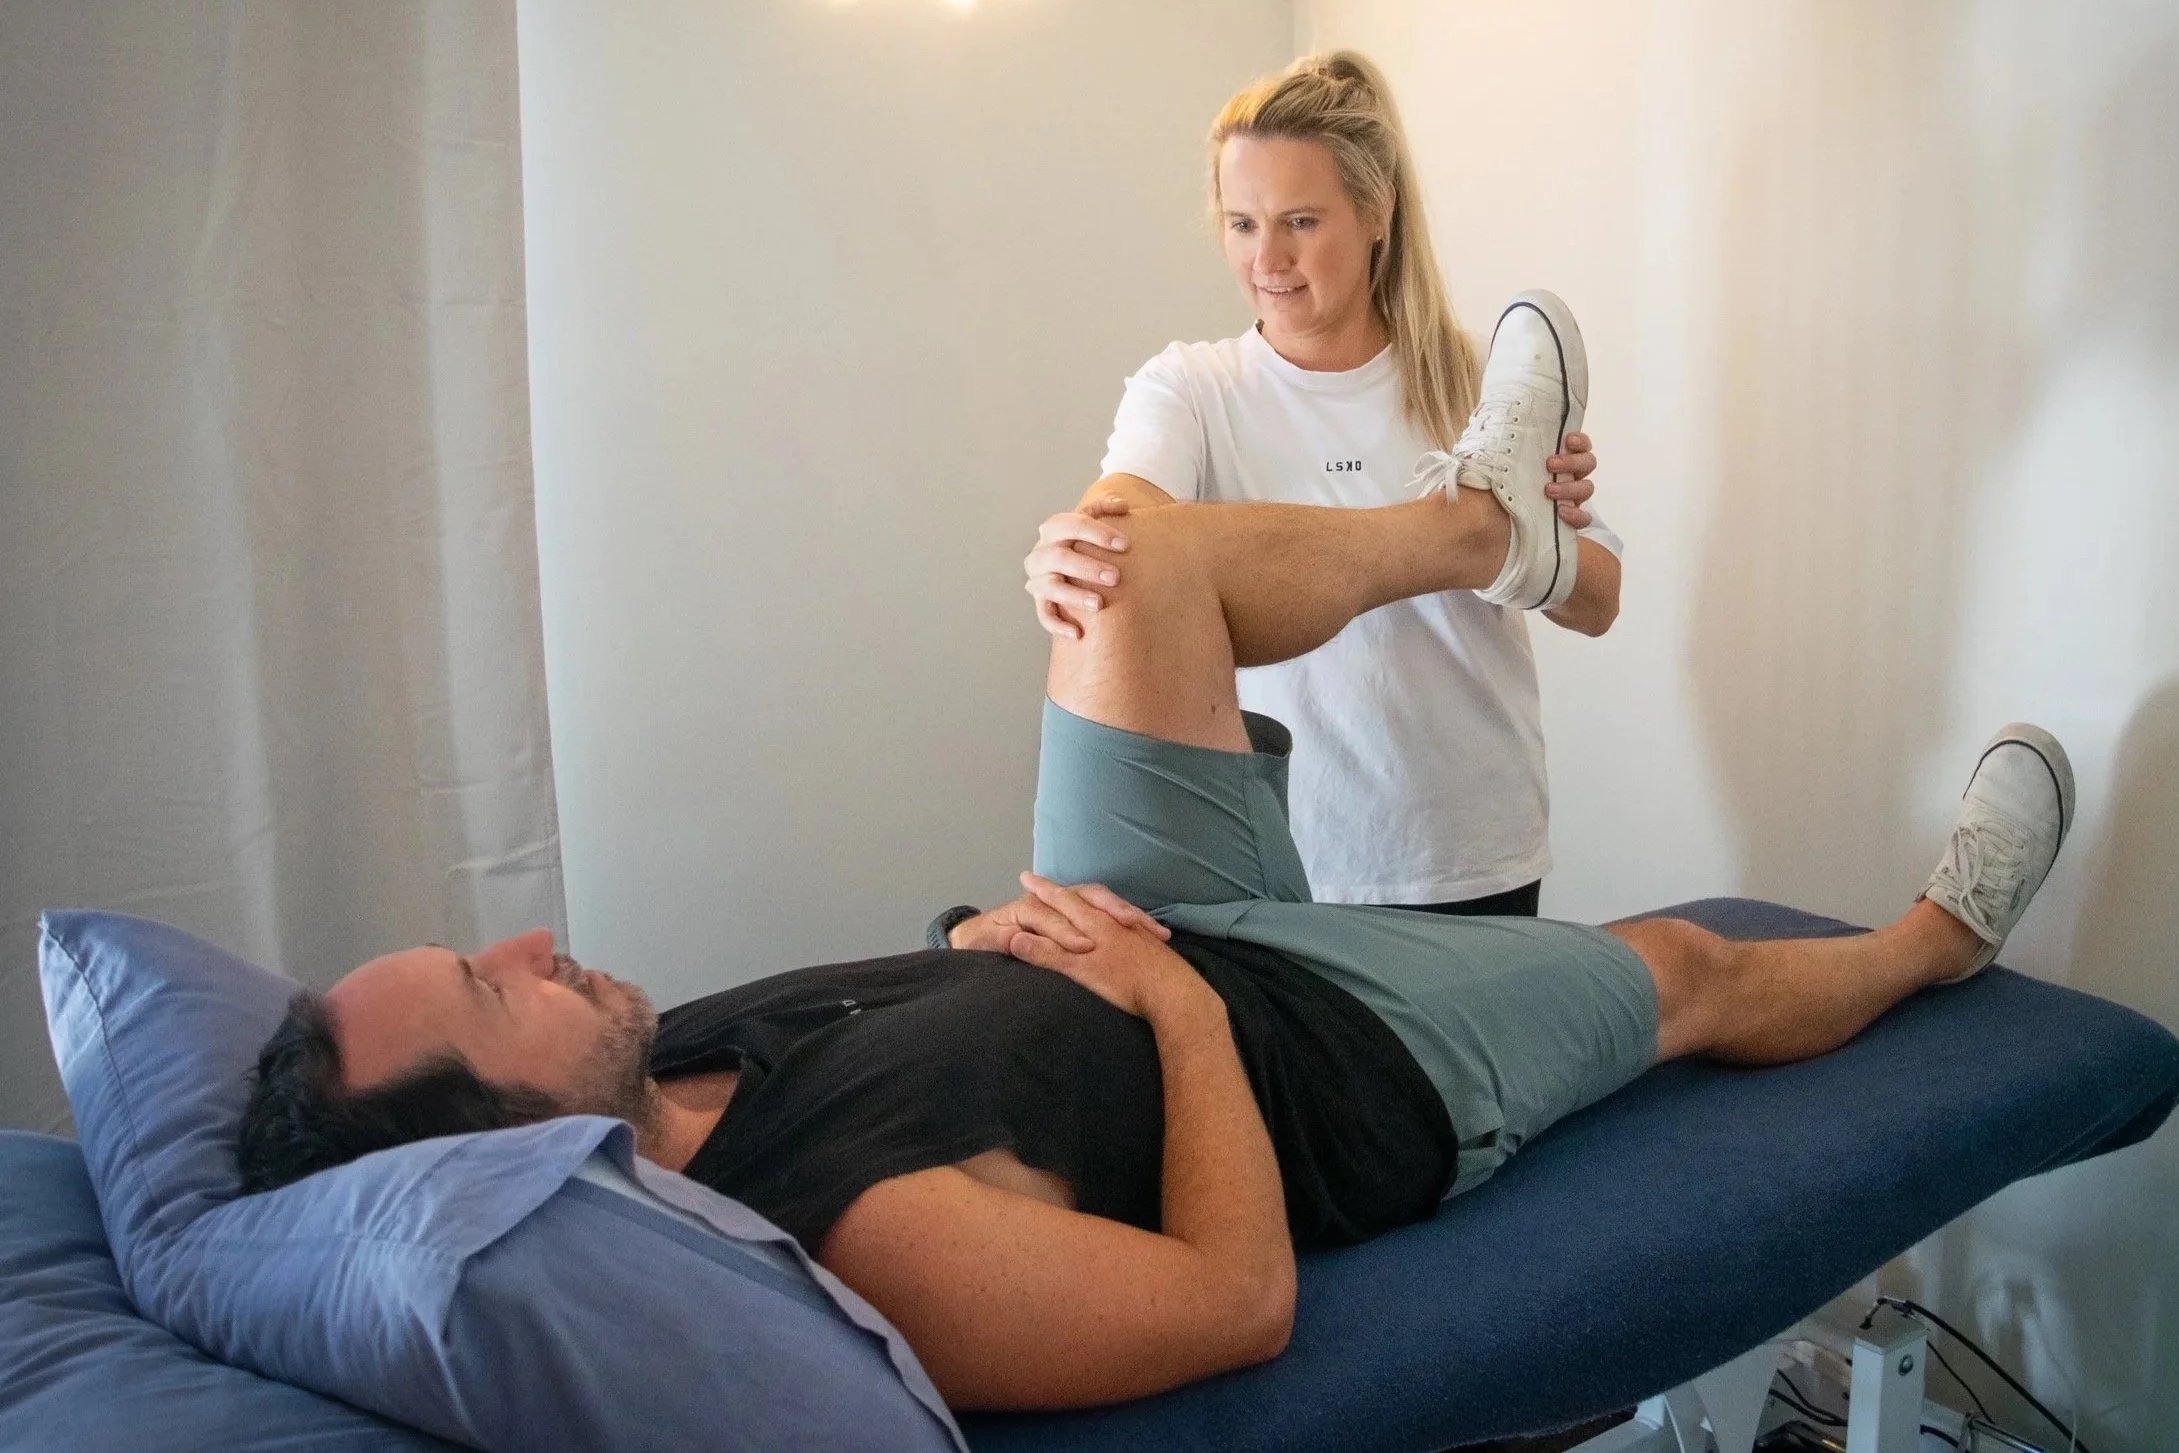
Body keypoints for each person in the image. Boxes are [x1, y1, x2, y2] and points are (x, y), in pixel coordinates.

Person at [233, 310, 2072, 1412]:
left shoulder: (675, 1045)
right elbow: (1233, 1302)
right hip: (1305, 1049)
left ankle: (1474, 522)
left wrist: (965, 930)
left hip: (1116, 921)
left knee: (1121, 544)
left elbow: (929, 1023)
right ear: (514, 1142)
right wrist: (1182, 1007)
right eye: (493, 988)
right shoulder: (857, 1241)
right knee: (1681, 971)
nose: (535, 940)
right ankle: (1936, 935)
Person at [1023, 50, 1621, 917]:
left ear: (1375, 213)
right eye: (1240, 224)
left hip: (1468, 845)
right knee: (1131, 555)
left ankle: (1502, 536)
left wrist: (1550, 552)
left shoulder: (1479, 385)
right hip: (1288, 854)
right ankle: (1477, 530)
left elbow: (1598, 601)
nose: (1266, 258)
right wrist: (1081, 546)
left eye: (1300, 221)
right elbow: (1125, 518)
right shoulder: (1190, 386)